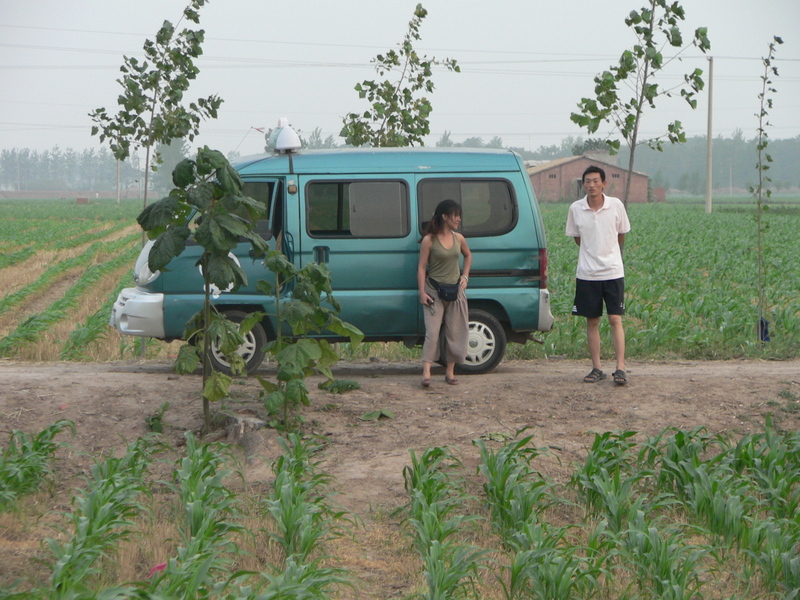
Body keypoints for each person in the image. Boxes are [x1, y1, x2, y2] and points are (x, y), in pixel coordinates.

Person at [565, 165, 631, 385]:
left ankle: (620, 368)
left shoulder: (616, 206)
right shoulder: (576, 208)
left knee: (615, 319)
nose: (591, 185)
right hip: (587, 274)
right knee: (592, 321)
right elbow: (577, 238)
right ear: (583, 184)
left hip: (612, 271)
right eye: (587, 181)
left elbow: (621, 235)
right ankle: (596, 368)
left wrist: (610, 254)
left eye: (595, 181)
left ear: (604, 183)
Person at [418, 199, 472, 388]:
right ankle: (426, 372)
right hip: (434, 292)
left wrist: (465, 276)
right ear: (444, 216)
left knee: (455, 333)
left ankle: (450, 372)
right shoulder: (429, 240)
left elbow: (468, 255)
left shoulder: (459, 238)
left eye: (459, 215)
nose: (458, 219)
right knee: (432, 333)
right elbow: (422, 267)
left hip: (455, 292)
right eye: (455, 215)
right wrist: (422, 292)